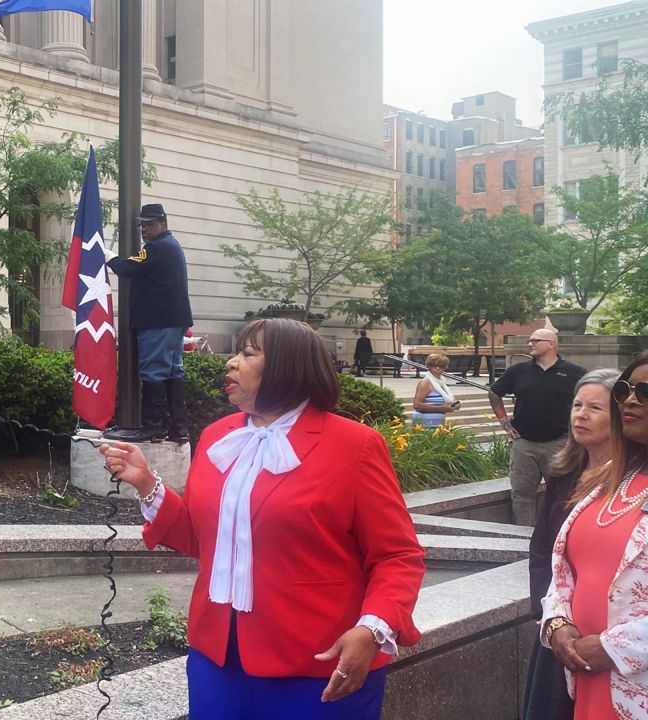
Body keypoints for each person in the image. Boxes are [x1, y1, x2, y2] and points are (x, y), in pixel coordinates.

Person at [98, 318, 425, 719]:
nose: (230, 364)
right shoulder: (218, 437)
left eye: (247, 354)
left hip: (318, 662)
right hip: (217, 658)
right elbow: (204, 542)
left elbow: (398, 556)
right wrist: (147, 483)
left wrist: (372, 629)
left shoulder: (355, 446)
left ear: (287, 367)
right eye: (235, 353)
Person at [540, 352, 648, 719]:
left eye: (645, 391)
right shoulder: (613, 476)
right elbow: (564, 568)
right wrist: (557, 623)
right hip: (588, 679)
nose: (631, 400)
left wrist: (615, 647)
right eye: (625, 390)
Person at [522, 369, 619, 720]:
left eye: (595, 408)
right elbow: (542, 548)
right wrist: (547, 616)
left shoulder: (634, 482)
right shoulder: (563, 472)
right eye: (577, 405)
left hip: (613, 634)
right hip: (559, 626)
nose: (580, 414)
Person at [104, 203, 193, 443]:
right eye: (142, 224)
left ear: (163, 223)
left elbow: (128, 268)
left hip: (158, 321)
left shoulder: (158, 248)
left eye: (150, 224)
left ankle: (151, 427)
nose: (145, 229)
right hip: (171, 320)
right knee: (173, 371)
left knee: (153, 371)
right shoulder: (169, 246)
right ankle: (179, 428)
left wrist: (108, 257)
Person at [491, 328, 587, 526]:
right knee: (521, 494)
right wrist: (504, 422)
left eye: (536, 340)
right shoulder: (519, 371)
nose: (530, 344)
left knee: (563, 493)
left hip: (559, 444)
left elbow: (590, 398)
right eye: (529, 340)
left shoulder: (574, 372)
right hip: (524, 444)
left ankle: (558, 535)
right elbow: (494, 393)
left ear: (552, 344)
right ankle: (522, 536)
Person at [411, 353, 461, 428]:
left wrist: (453, 406)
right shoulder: (426, 382)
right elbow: (417, 405)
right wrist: (441, 408)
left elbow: (442, 403)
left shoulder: (442, 383)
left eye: (441, 366)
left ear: (445, 367)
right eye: (433, 365)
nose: (437, 368)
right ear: (429, 366)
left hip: (437, 424)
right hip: (424, 424)